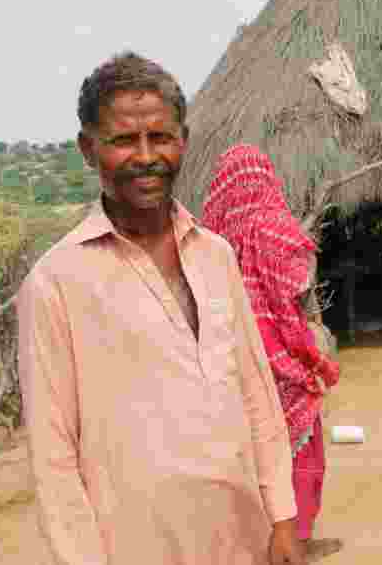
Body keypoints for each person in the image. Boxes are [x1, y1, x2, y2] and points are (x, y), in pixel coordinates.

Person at [16, 53, 304, 565]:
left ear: (183, 141)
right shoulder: (55, 282)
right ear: (88, 148)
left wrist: (282, 517)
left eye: (161, 137)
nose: (146, 156)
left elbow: (256, 393)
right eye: (125, 140)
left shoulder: (216, 255)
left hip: (243, 538)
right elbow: (52, 453)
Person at [202, 144, 343, 564]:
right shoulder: (274, 227)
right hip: (281, 362)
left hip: (234, 365)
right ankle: (295, 542)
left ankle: (262, 541)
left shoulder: (209, 239)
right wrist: (313, 349)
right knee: (301, 452)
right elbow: (295, 289)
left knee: (253, 459)